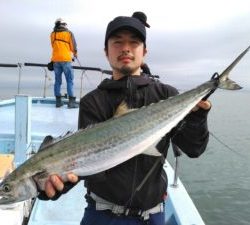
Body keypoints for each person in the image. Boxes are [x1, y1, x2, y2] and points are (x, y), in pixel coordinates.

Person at [41, 13, 211, 225]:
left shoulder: (166, 96)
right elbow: (91, 160)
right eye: (117, 42)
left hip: (153, 215)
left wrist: (198, 118)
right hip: (101, 215)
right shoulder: (93, 102)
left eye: (134, 42)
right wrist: (57, 183)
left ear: (144, 51)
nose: (126, 48)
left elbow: (194, 149)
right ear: (106, 51)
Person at [50, 18, 78, 108]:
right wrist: (75, 54)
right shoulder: (69, 33)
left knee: (57, 81)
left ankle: (58, 102)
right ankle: (71, 102)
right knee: (69, 80)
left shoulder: (52, 34)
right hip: (66, 59)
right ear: (64, 24)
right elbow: (73, 46)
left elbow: (53, 46)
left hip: (55, 60)